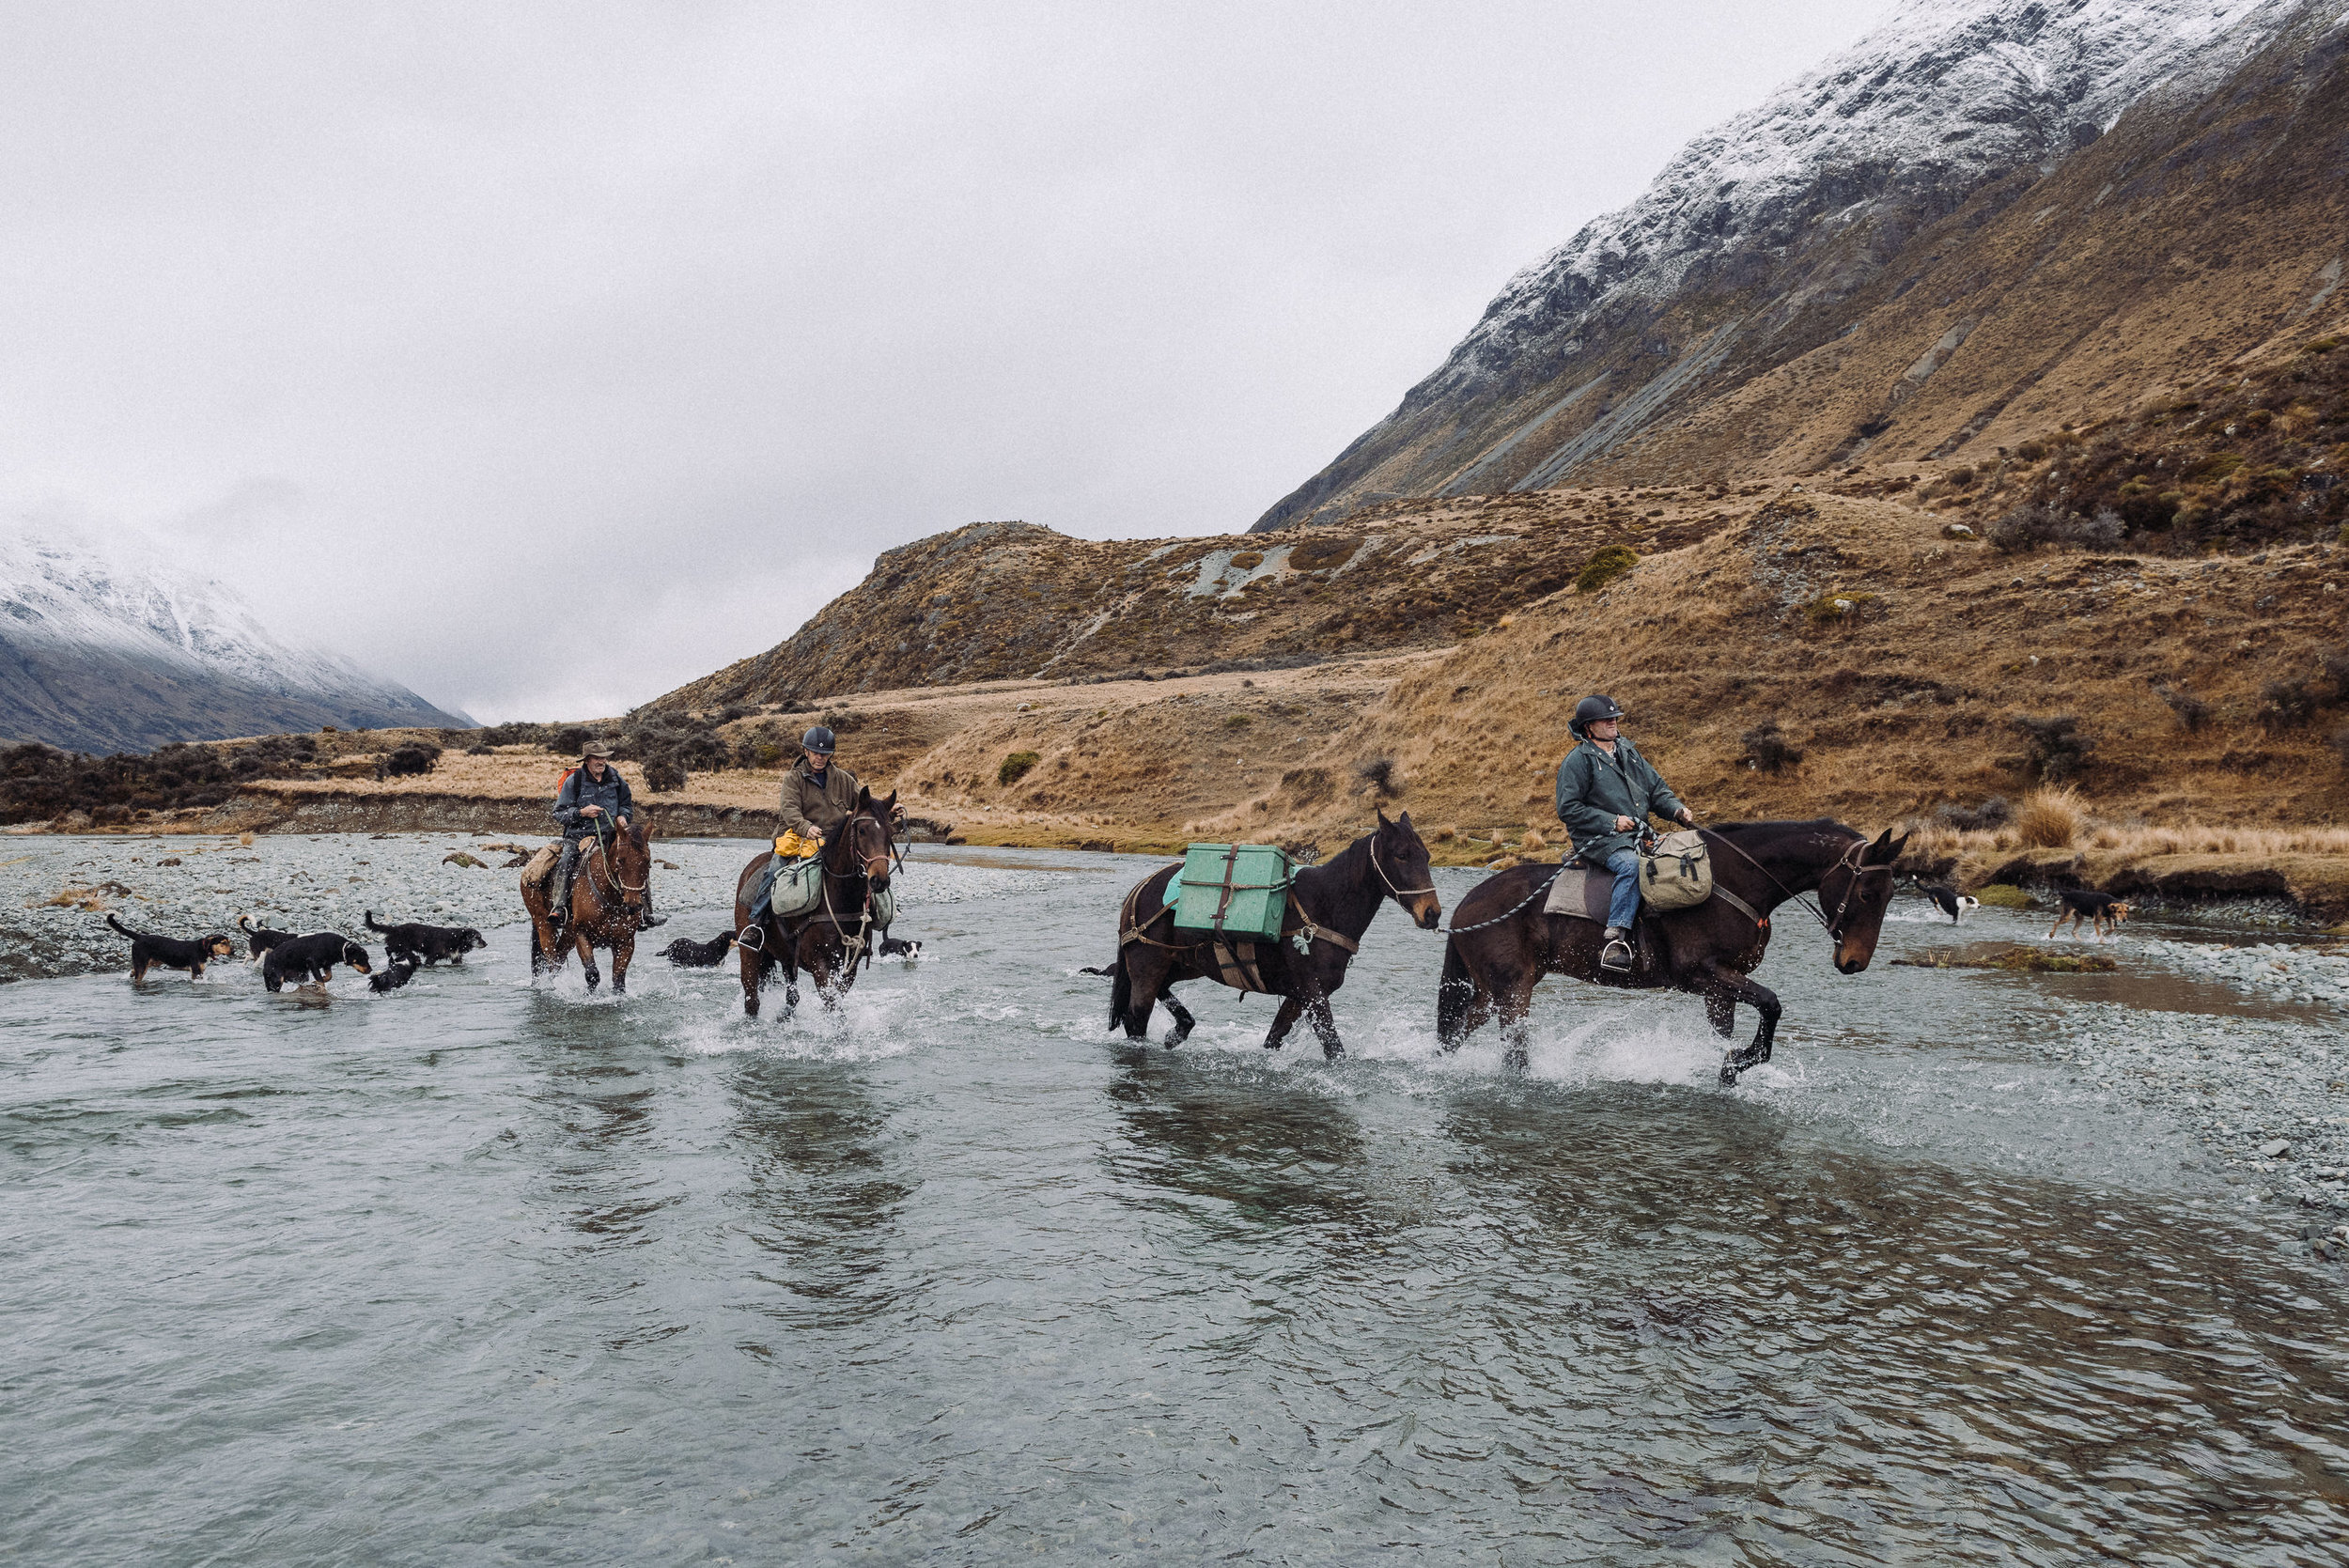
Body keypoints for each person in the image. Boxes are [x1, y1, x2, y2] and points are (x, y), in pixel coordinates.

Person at [1554, 694, 1694, 972]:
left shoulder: (1628, 752)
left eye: (1614, 716)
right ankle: (1616, 939)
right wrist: (1611, 821)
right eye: (1605, 719)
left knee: (1684, 857)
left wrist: (1677, 810)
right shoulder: (1578, 760)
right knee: (1630, 866)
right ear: (1588, 727)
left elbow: (1657, 791)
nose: (1613, 721)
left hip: (1638, 834)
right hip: (1599, 839)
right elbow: (1568, 809)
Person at [551, 744, 663, 926]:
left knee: (638, 860)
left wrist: (623, 816)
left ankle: (646, 912)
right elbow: (559, 813)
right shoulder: (574, 781)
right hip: (578, 836)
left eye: (604, 757)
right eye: (597, 758)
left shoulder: (615, 778)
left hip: (611, 833)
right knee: (566, 860)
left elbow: (626, 804)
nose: (602, 761)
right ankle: (560, 908)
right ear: (587, 760)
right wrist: (582, 813)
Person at [774, 726, 862, 858]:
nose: (820, 758)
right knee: (777, 872)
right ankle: (767, 879)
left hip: (832, 841)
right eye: (815, 753)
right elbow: (789, 809)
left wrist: (889, 810)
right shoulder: (793, 778)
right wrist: (806, 828)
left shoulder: (844, 780)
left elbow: (866, 803)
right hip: (795, 837)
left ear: (830, 754)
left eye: (825, 754)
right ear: (806, 751)